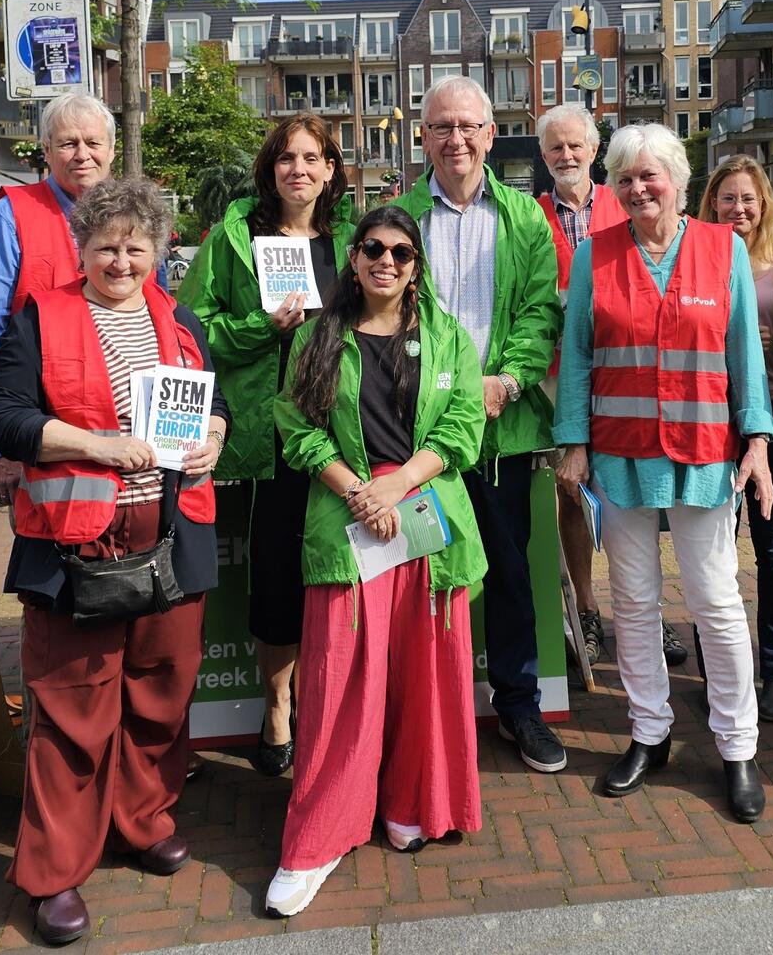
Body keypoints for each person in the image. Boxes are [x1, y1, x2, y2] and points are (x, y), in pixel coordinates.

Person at [0, 178, 228, 945]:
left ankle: (143, 819)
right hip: (74, 545)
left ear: (158, 252)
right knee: (70, 710)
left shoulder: (179, 320)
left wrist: (215, 431)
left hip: (172, 536)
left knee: (162, 692)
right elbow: (7, 419)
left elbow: (211, 403)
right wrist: (99, 446)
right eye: (106, 245)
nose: (121, 260)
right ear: (81, 248)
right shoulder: (41, 317)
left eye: (136, 246)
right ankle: (54, 873)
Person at [265, 206, 485, 917]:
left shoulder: (446, 335)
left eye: (400, 251)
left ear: (415, 266)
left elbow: (463, 428)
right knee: (339, 687)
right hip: (347, 521)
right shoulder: (318, 340)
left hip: (425, 519)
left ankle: (411, 801)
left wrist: (397, 484)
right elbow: (296, 427)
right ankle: (321, 835)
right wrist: (361, 492)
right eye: (372, 249)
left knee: (425, 676)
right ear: (353, 260)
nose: (386, 261)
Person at [554, 123, 773, 824]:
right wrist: (572, 440)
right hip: (620, 455)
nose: (638, 188)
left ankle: (738, 746)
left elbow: (744, 352)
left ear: (679, 181)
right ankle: (649, 734)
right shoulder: (596, 255)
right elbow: (579, 354)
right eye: (625, 178)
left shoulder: (723, 249)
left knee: (715, 601)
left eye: (650, 176)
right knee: (636, 604)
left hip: (706, 452)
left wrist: (759, 438)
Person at [391, 76, 566, 773]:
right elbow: (381, 314)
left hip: (500, 433)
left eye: (468, 126)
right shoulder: (398, 217)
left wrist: (509, 380)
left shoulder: (525, 219)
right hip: (417, 440)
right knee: (424, 569)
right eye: (441, 126)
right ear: (423, 136)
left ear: (491, 135)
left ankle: (518, 705)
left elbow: (538, 312)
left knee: (511, 574)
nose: (455, 138)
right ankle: (428, 709)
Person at [179, 114, 354, 778]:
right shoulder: (236, 235)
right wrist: (262, 325)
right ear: (270, 167)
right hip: (272, 433)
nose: (299, 169)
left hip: (342, 434)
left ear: (331, 169)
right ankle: (276, 704)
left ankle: (326, 701)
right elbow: (190, 327)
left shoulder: (350, 240)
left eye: (312, 158)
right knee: (277, 571)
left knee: (333, 571)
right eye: (287, 158)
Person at [533, 103, 688, 672]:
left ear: (595, 151)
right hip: (561, 376)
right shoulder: (532, 216)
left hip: (628, 373)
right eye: (555, 147)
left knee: (640, 492)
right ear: (543, 154)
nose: (566, 156)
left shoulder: (620, 203)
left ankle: (645, 612)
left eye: (576, 146)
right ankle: (588, 608)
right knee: (573, 496)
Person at [0, 92, 119, 506]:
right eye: (68, 143)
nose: (82, 154)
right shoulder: (10, 217)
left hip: (124, 437)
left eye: (93, 142)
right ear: (46, 151)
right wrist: (1, 448)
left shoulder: (132, 219)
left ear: (112, 150)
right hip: (40, 441)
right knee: (48, 561)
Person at [698, 155, 773, 722]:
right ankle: (717, 664)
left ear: (764, 204)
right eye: (726, 198)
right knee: (712, 548)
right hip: (712, 417)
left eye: (748, 199)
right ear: (711, 202)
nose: (737, 208)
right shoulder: (698, 257)